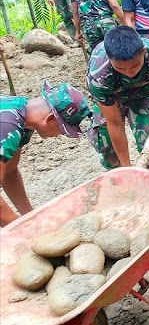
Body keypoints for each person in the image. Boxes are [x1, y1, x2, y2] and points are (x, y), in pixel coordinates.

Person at [86, 25, 149, 175]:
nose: (129, 73)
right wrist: (127, 171)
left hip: (140, 92)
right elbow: (115, 123)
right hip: (111, 96)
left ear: (144, 51)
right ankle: (121, 176)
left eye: (134, 66)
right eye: (120, 69)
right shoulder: (98, 75)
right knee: (106, 146)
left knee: (146, 134)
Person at [0, 82, 91, 226]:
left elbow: (10, 173)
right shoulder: (7, 126)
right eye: (62, 130)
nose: (59, 135)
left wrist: (31, 218)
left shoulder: (22, 119)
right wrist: (22, 232)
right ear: (49, 119)